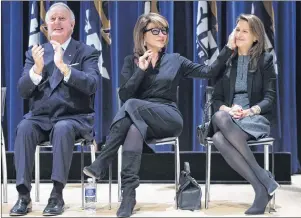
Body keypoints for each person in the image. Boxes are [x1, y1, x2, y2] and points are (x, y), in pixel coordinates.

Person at [83, 12, 234, 217]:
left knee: (132, 105)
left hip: (168, 117)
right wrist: (141, 71)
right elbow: (124, 93)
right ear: (142, 35)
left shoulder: (175, 60)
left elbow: (209, 71)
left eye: (164, 31)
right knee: (133, 128)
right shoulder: (131, 61)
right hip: (140, 120)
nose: (162, 35)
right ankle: (128, 196)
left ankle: (103, 159)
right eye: (155, 31)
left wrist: (229, 48)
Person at [9, 3, 100, 216]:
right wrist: (36, 70)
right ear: (46, 25)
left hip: (74, 117)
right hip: (41, 117)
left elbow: (92, 84)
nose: (56, 23)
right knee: (24, 127)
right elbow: (23, 90)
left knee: (62, 128)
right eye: (52, 19)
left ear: (72, 24)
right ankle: (23, 195)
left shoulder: (86, 52)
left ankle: (56, 195)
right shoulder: (36, 53)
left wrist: (64, 67)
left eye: (62, 19)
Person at [210, 14, 279, 215]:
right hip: (229, 117)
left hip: (255, 116)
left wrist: (251, 110)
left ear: (256, 37)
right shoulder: (227, 61)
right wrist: (228, 109)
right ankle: (262, 181)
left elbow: (270, 98)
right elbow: (216, 100)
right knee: (220, 118)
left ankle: (260, 188)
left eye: (245, 31)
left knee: (218, 138)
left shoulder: (265, 60)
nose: (239, 34)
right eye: (237, 29)